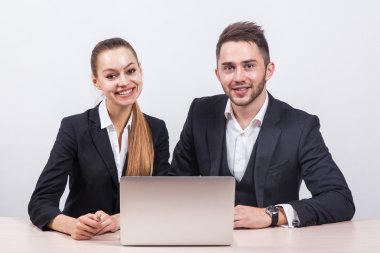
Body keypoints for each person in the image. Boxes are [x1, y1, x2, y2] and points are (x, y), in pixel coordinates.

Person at [170, 22, 355, 228]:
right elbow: (174, 187)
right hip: (212, 241)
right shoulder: (200, 113)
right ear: (218, 74)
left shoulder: (300, 126)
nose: (239, 77)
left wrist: (272, 215)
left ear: (268, 70)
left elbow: (340, 200)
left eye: (249, 66)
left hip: (274, 245)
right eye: (229, 68)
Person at [28, 38, 170, 239]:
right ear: (96, 81)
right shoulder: (74, 128)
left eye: (130, 71)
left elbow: (162, 199)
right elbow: (40, 201)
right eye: (111, 75)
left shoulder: (156, 129)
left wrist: (117, 220)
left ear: (140, 70)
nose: (124, 82)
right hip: (84, 243)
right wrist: (70, 224)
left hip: (135, 241)